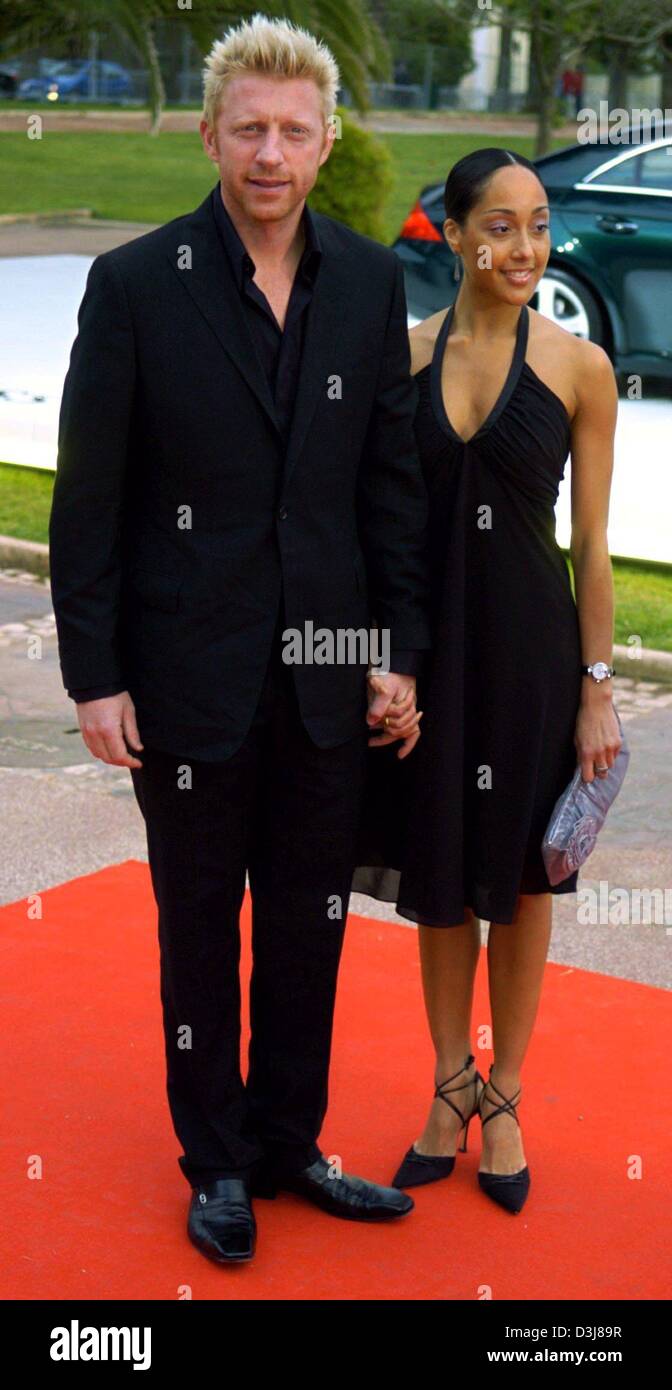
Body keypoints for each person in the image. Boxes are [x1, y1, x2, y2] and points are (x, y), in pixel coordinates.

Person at [48, 14, 432, 1265]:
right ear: (212, 134)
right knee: (199, 926)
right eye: (249, 128)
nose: (270, 152)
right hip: (186, 672)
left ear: (326, 145)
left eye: (294, 131)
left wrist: (397, 649)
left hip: (327, 671)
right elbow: (88, 497)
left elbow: (389, 486)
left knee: (311, 926)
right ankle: (213, 1158)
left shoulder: (371, 283)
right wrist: (96, 676)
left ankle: (288, 1143)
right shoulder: (133, 285)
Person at [353, 148, 621, 1214]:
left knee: (519, 879)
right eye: (500, 226)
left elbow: (595, 544)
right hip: (432, 661)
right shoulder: (402, 360)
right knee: (438, 878)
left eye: (541, 226)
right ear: (456, 233)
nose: (525, 247)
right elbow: (381, 533)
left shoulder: (581, 367)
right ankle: (449, 1083)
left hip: (532, 659)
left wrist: (599, 686)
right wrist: (386, 662)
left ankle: (506, 1091)